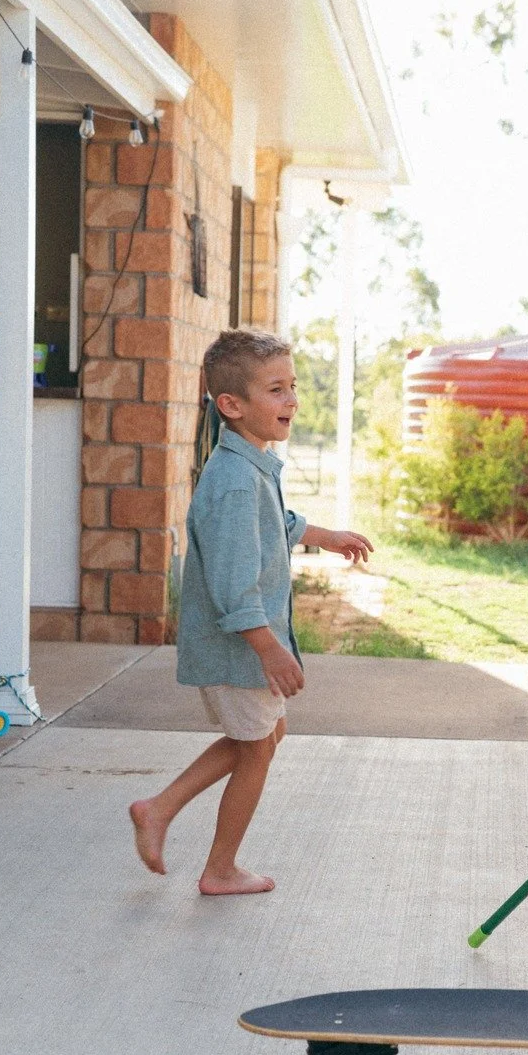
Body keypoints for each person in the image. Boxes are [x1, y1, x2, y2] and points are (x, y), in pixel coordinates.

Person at [129, 329, 373, 894]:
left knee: (263, 735)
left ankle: (159, 808)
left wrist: (325, 535)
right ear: (232, 406)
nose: (292, 400)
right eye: (277, 390)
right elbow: (234, 586)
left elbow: (275, 527)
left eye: (292, 388)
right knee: (258, 746)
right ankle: (218, 869)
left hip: (243, 646)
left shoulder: (250, 466)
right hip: (240, 647)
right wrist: (270, 650)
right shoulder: (236, 482)